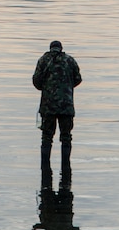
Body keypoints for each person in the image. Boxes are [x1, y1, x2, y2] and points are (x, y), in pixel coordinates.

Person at [33, 41, 82, 183]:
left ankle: (45, 166)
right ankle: (66, 167)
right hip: (66, 106)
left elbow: (36, 82)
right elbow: (78, 79)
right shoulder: (70, 60)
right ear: (61, 49)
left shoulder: (43, 60)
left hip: (48, 107)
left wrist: (47, 86)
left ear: (50, 48)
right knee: (66, 137)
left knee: (46, 137)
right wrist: (66, 85)